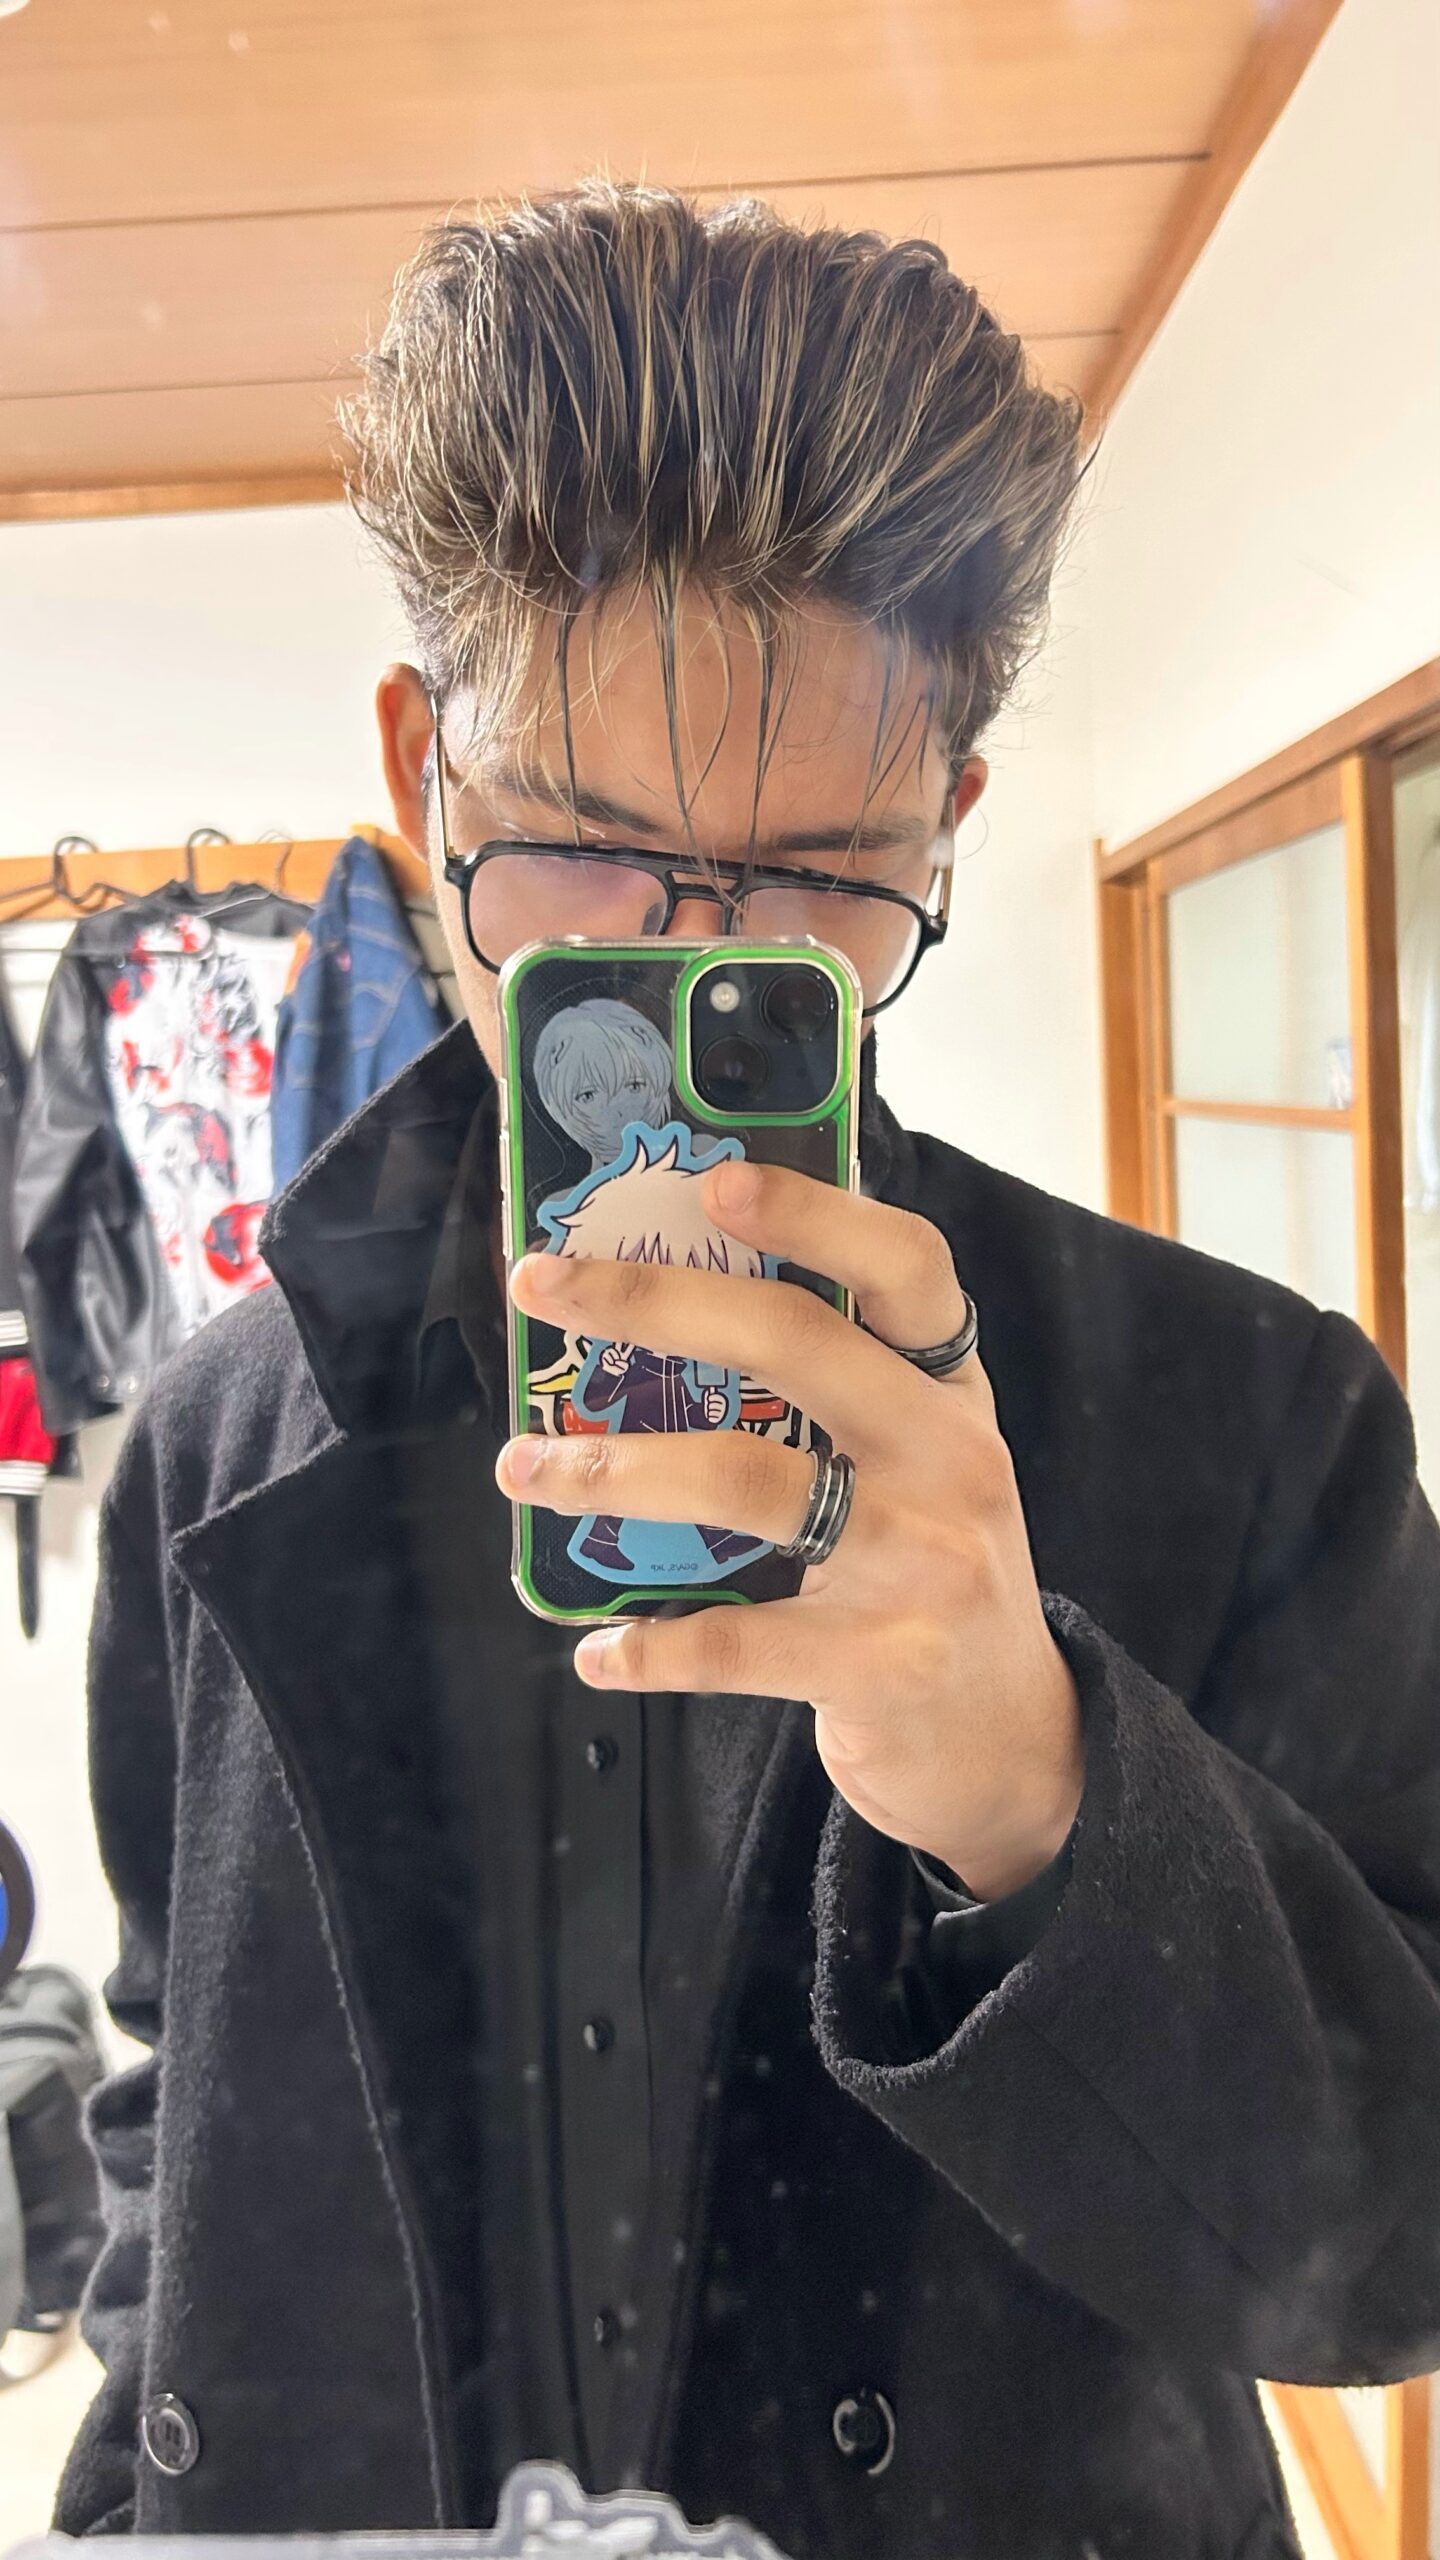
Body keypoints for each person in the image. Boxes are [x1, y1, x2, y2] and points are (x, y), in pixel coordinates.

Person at [60, 184, 1440, 2559]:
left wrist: (1049, 1798)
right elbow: (173, 2074)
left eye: (813, 881)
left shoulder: (1250, 1413)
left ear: (948, 827)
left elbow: (1400, 2241)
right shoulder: (211, 1431)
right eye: (585, 849)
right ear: (422, 770)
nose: (683, 967)